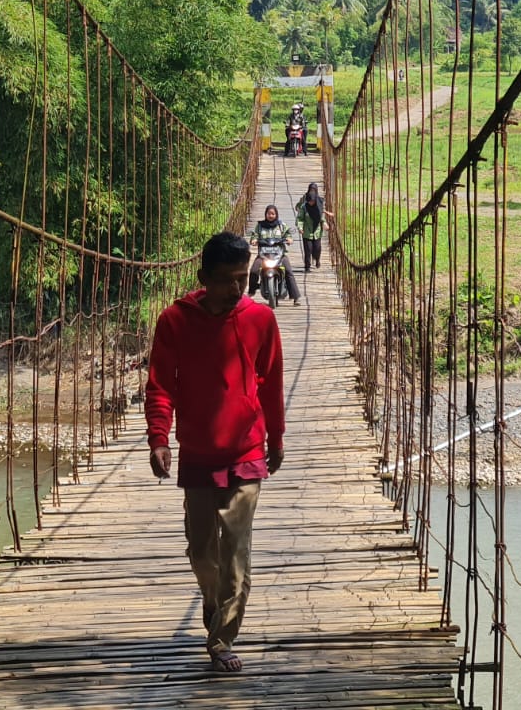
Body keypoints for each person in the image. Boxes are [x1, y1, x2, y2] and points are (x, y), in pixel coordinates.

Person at [146, 232, 286, 675]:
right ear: (203, 277)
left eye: (242, 279)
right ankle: (212, 602)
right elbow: (161, 384)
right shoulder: (175, 321)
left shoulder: (260, 320)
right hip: (199, 453)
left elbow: (273, 384)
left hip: (246, 450)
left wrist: (276, 439)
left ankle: (223, 638)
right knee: (201, 550)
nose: (234, 289)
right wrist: (158, 438)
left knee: (237, 553)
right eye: (225, 280)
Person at [246, 205, 300, 304]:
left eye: (273, 214)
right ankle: (251, 291)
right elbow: (255, 235)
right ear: (265, 214)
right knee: (254, 270)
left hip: (279, 254)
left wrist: (289, 239)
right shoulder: (260, 226)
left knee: (288, 271)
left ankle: (295, 296)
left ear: (276, 215)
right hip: (263, 255)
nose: (270, 215)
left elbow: (288, 233)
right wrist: (254, 240)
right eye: (269, 213)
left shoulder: (281, 225)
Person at [295, 183, 326, 273]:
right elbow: (300, 218)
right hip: (307, 232)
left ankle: (317, 259)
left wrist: (324, 223)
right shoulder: (304, 204)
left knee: (317, 248)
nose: (311, 203)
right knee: (308, 250)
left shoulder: (319, 202)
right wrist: (300, 227)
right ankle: (307, 266)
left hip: (317, 231)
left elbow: (321, 216)